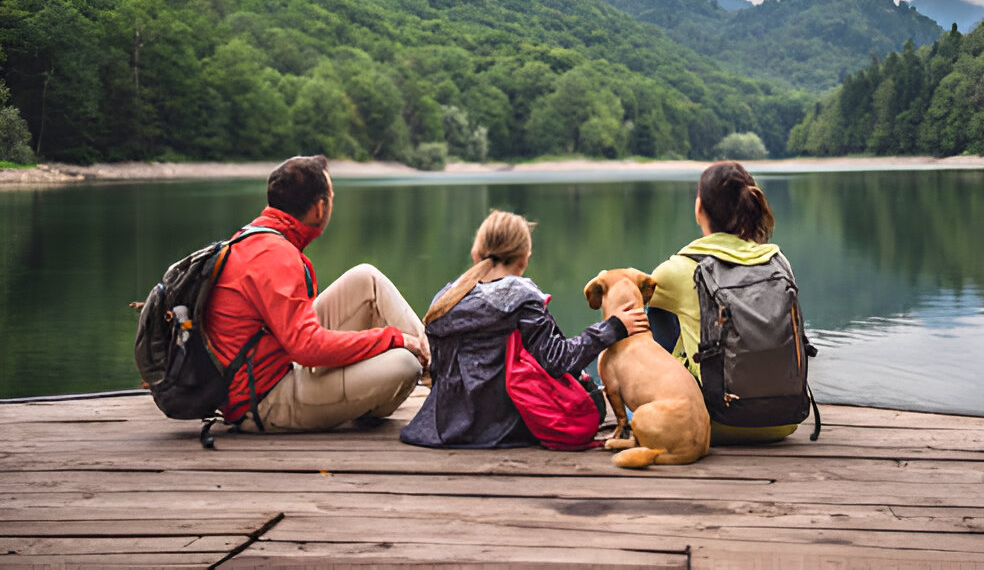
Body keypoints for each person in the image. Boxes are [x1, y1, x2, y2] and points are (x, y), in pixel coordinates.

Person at [205, 155, 430, 432]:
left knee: (366, 278)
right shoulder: (276, 255)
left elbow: (299, 342)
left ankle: (440, 369)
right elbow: (307, 348)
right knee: (404, 364)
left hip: (280, 364)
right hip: (264, 401)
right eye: (332, 197)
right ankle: (440, 376)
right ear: (319, 208)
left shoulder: (256, 237)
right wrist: (392, 338)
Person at [400, 210, 649, 448]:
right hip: (503, 426)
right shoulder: (521, 297)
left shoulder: (446, 298)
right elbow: (558, 359)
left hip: (442, 425)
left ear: (477, 252)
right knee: (591, 399)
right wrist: (613, 327)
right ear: (525, 255)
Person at [648, 160, 800, 444]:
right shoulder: (778, 262)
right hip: (784, 420)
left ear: (698, 209)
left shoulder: (679, 269)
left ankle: (650, 405)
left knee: (653, 307)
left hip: (710, 421)